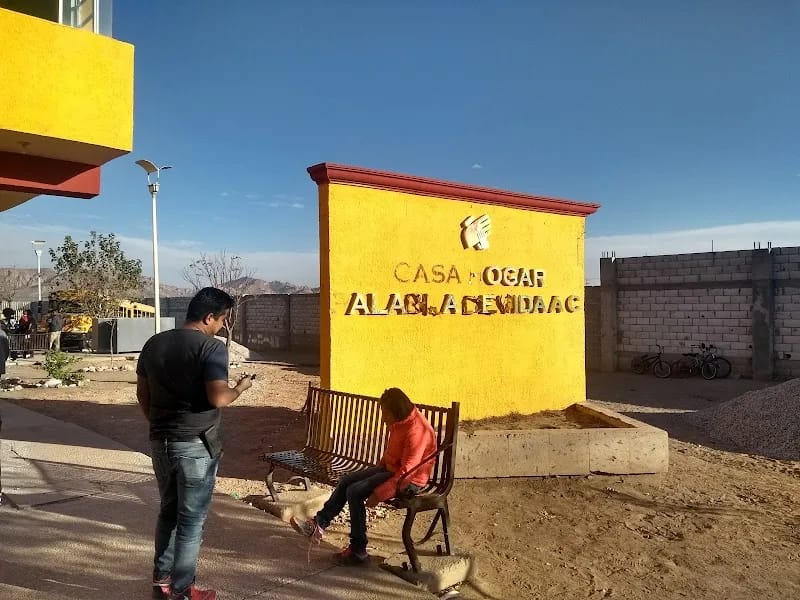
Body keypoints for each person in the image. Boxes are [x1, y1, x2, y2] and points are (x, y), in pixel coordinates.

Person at [137, 287, 254, 600]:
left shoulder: (153, 343)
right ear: (208, 317)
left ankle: (161, 582)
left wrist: (160, 425)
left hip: (160, 442)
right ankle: (182, 590)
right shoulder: (211, 348)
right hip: (196, 447)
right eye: (222, 320)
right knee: (191, 522)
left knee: (168, 512)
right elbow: (218, 397)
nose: (221, 326)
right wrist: (240, 388)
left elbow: (143, 395)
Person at [290, 387, 437, 565]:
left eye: (386, 413)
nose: (383, 418)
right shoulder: (401, 421)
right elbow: (395, 451)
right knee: (347, 481)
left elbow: (408, 471)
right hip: (392, 470)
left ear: (397, 411)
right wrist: (380, 466)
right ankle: (319, 524)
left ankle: (358, 550)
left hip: (409, 481)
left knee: (355, 492)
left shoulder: (416, 431)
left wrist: (380, 493)